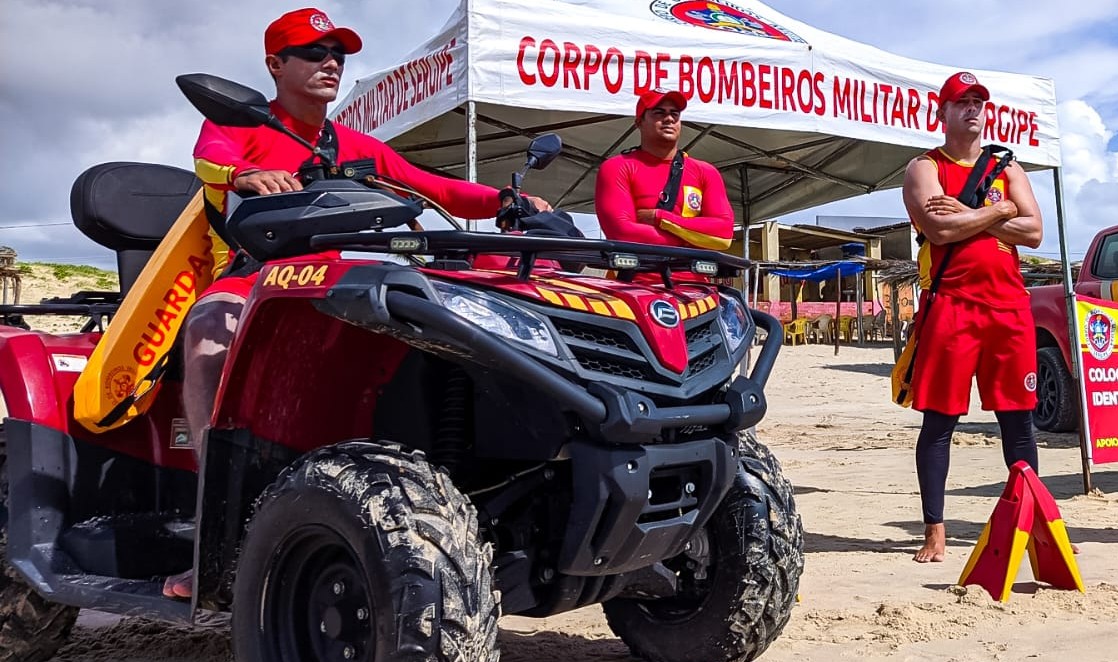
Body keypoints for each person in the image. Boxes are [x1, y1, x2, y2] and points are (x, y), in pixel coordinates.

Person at [165, 7, 549, 599]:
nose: (330, 63)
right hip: (255, 277)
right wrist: (245, 176)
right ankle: (211, 531)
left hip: (348, 280)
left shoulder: (356, 144)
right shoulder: (240, 127)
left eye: (337, 54)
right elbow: (210, 157)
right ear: (275, 64)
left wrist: (505, 198)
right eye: (314, 53)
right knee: (209, 332)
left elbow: (437, 188)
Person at [901, 72, 1044, 564]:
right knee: (940, 420)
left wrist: (974, 210)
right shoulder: (925, 167)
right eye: (961, 101)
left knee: (1018, 419)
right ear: (942, 112)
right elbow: (938, 231)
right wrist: (1000, 212)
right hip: (952, 306)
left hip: (1009, 308)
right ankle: (934, 530)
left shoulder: (1009, 168)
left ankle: (1030, 519)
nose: (973, 108)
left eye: (979, 101)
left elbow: (1035, 232)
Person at [594, 89, 734, 250]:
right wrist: (694, 240)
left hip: (693, 274)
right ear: (639, 122)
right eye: (659, 113)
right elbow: (621, 233)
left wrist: (660, 217)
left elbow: (723, 234)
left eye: (674, 114)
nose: (669, 118)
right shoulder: (617, 167)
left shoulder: (706, 172)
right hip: (635, 274)